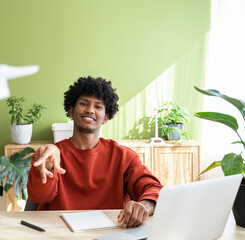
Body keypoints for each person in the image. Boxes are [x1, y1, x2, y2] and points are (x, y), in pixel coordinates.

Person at [27, 76, 163, 228]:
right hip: (59, 233)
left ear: (106, 117)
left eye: (98, 107)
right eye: (84, 103)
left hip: (111, 233)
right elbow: (39, 197)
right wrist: (48, 166)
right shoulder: (50, 155)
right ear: (71, 111)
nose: (90, 110)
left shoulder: (124, 157)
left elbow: (153, 188)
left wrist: (144, 206)